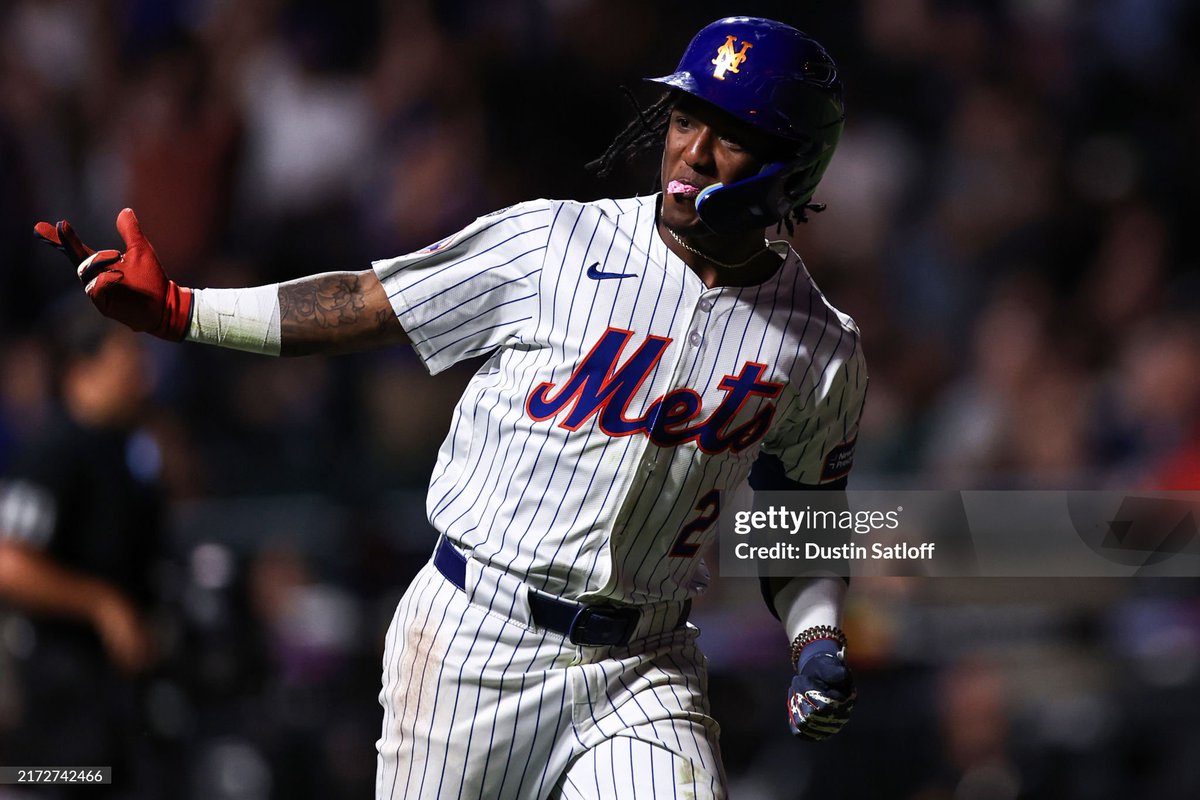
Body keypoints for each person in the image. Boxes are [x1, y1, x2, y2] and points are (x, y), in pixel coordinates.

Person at [35, 16, 865, 799]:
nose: (692, 150)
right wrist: (182, 310)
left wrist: (816, 637)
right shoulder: (555, 243)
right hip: (476, 638)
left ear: (792, 165)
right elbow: (366, 301)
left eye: (730, 133)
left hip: (645, 664)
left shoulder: (821, 348)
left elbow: (803, 527)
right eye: (686, 117)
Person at [0, 304, 166, 797]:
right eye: (127, 355)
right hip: (58, 704)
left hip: (113, 700)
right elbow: (9, 564)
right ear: (82, 369)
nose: (142, 371)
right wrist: (100, 603)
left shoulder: (126, 453)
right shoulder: (52, 453)